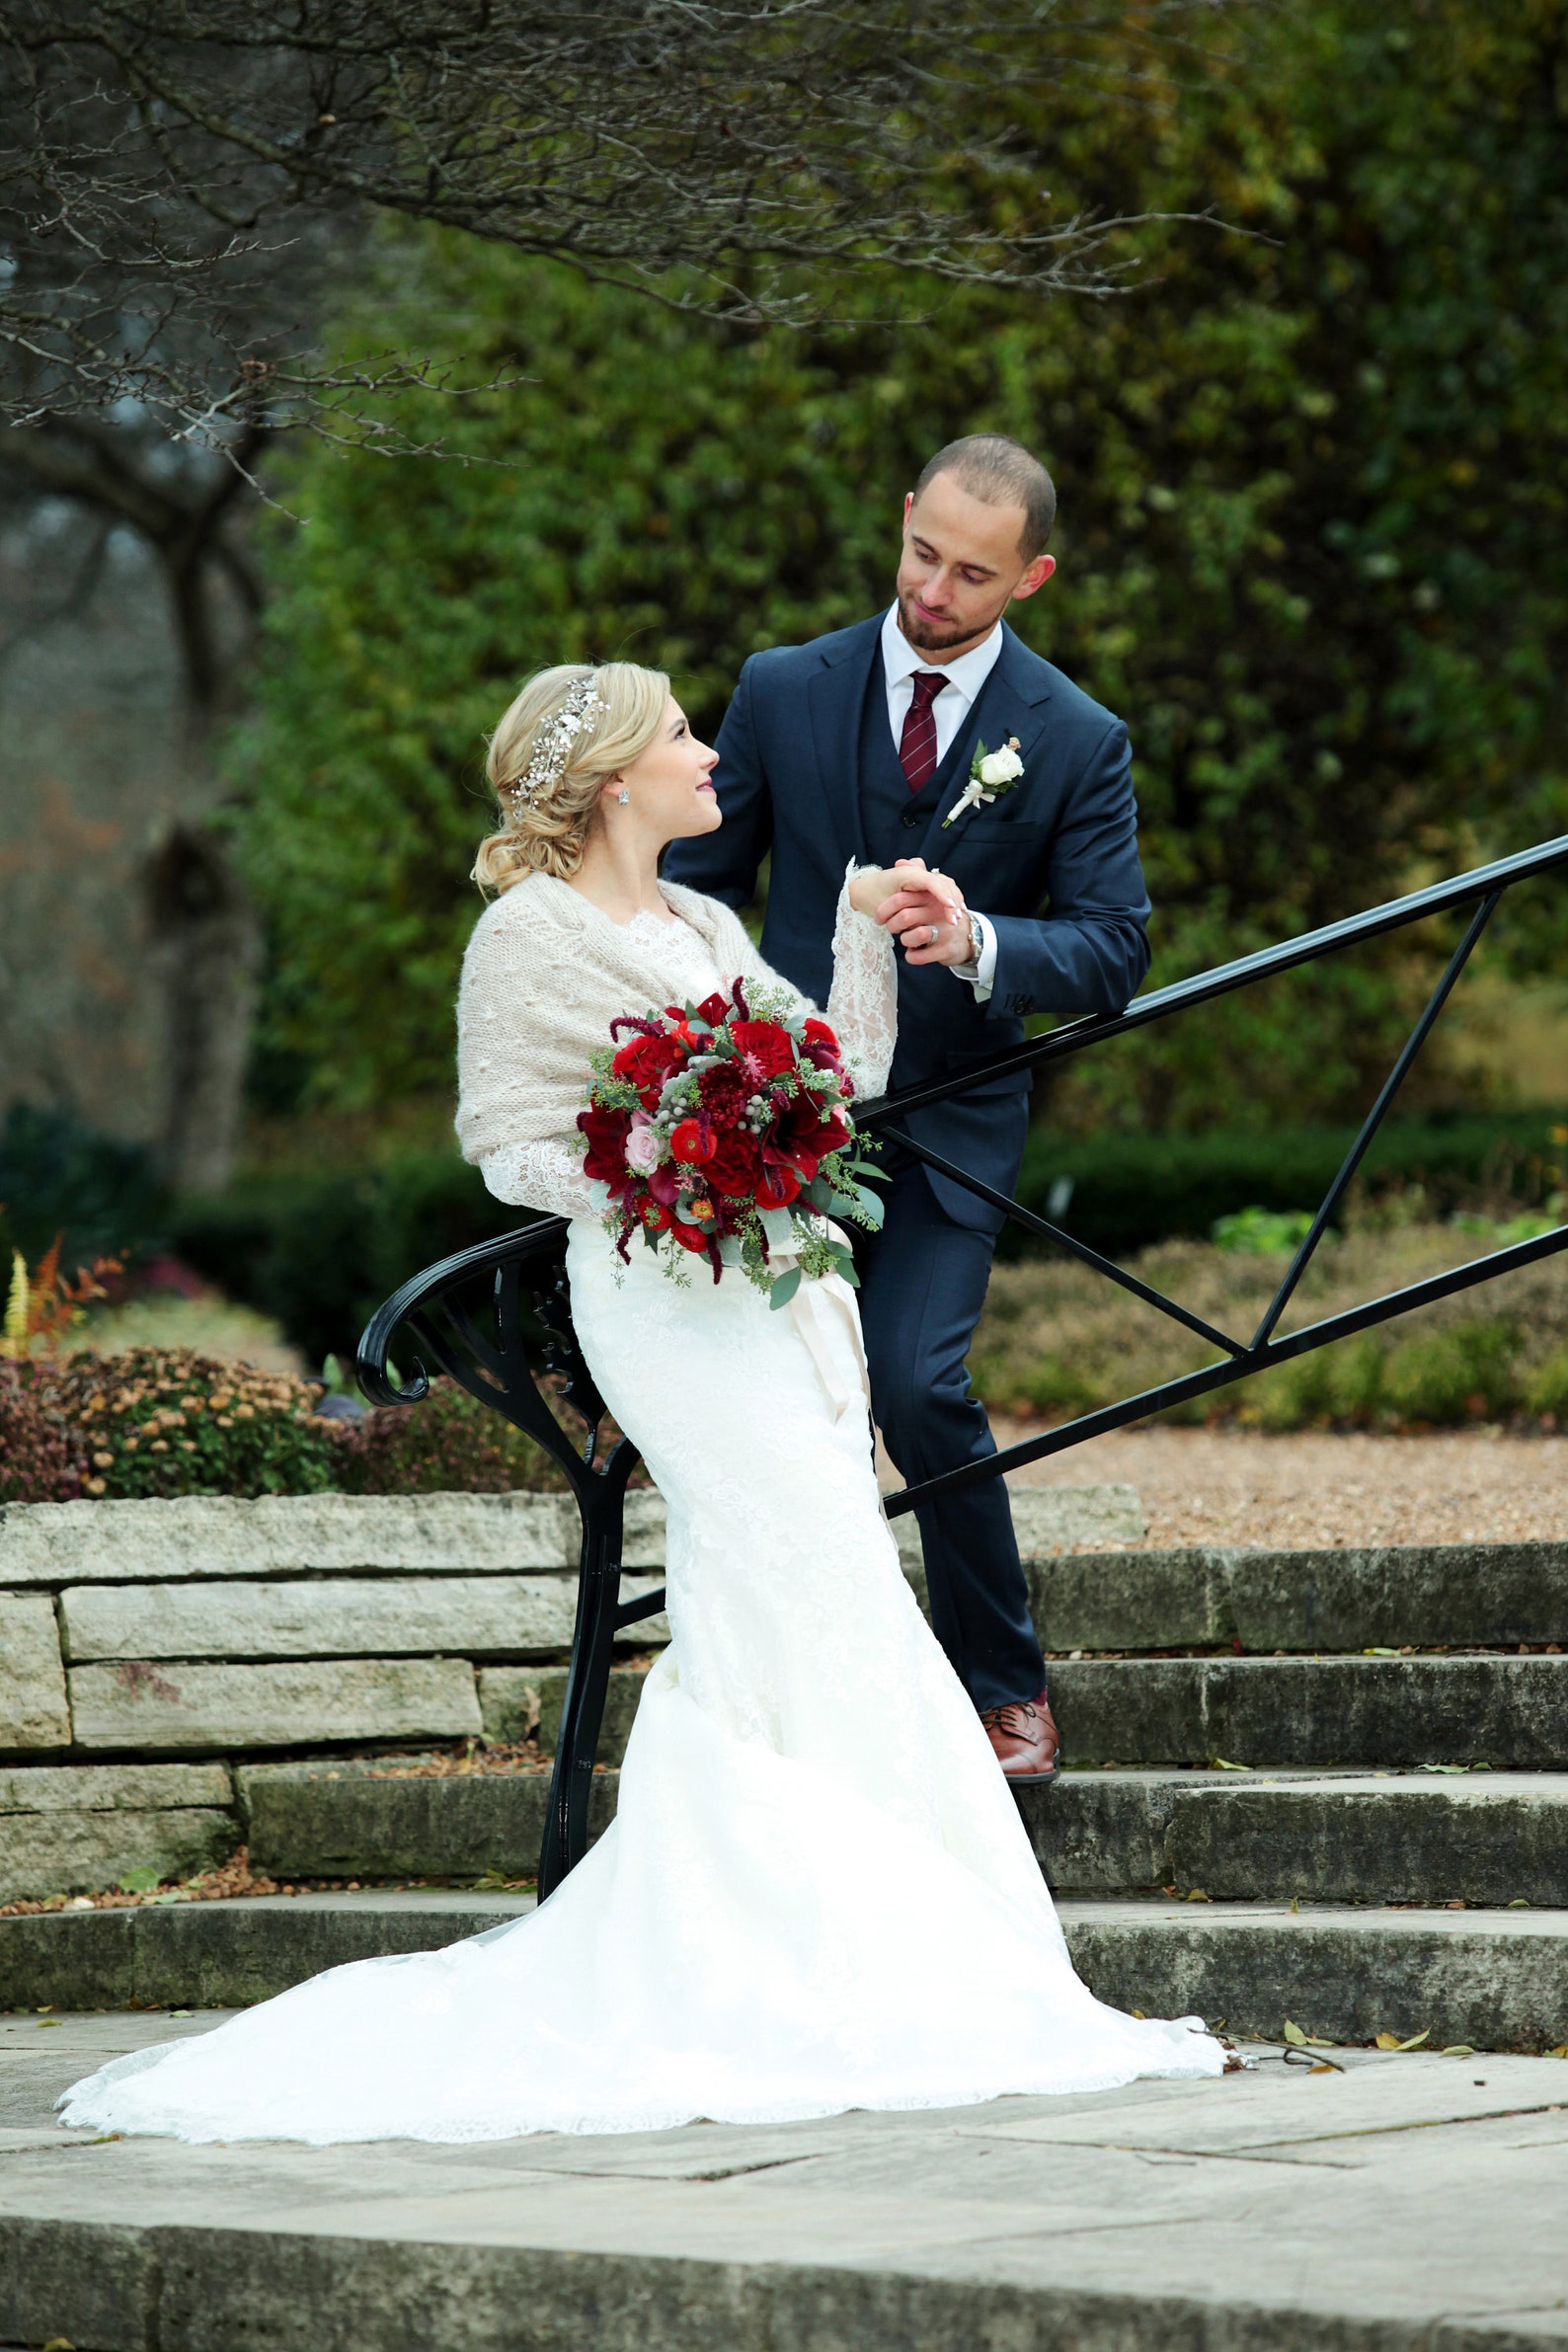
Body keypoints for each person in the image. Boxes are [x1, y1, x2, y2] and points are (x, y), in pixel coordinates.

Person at [59, 661, 1219, 2148]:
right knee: (803, 1563)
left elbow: (835, 1077)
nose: (711, 751)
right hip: (665, 1311)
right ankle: (784, 1942)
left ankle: (856, 1936)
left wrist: (866, 928)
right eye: (682, 734)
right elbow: (506, 1145)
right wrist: (663, 1167)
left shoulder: (710, 924)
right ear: (618, 779)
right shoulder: (527, 937)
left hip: (775, 1304)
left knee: (824, 1579)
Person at [665, 434, 1152, 1784]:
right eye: (922, 551)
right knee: (781, 1405)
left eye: (974, 573)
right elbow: (696, 890)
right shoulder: (781, 686)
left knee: (922, 1380)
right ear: (903, 519)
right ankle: (798, 1702)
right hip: (779, 1122)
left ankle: (1006, 1688)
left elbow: (1115, 949)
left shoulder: (1075, 738)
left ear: (1033, 577)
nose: (934, 589)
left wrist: (987, 941)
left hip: (950, 1123)